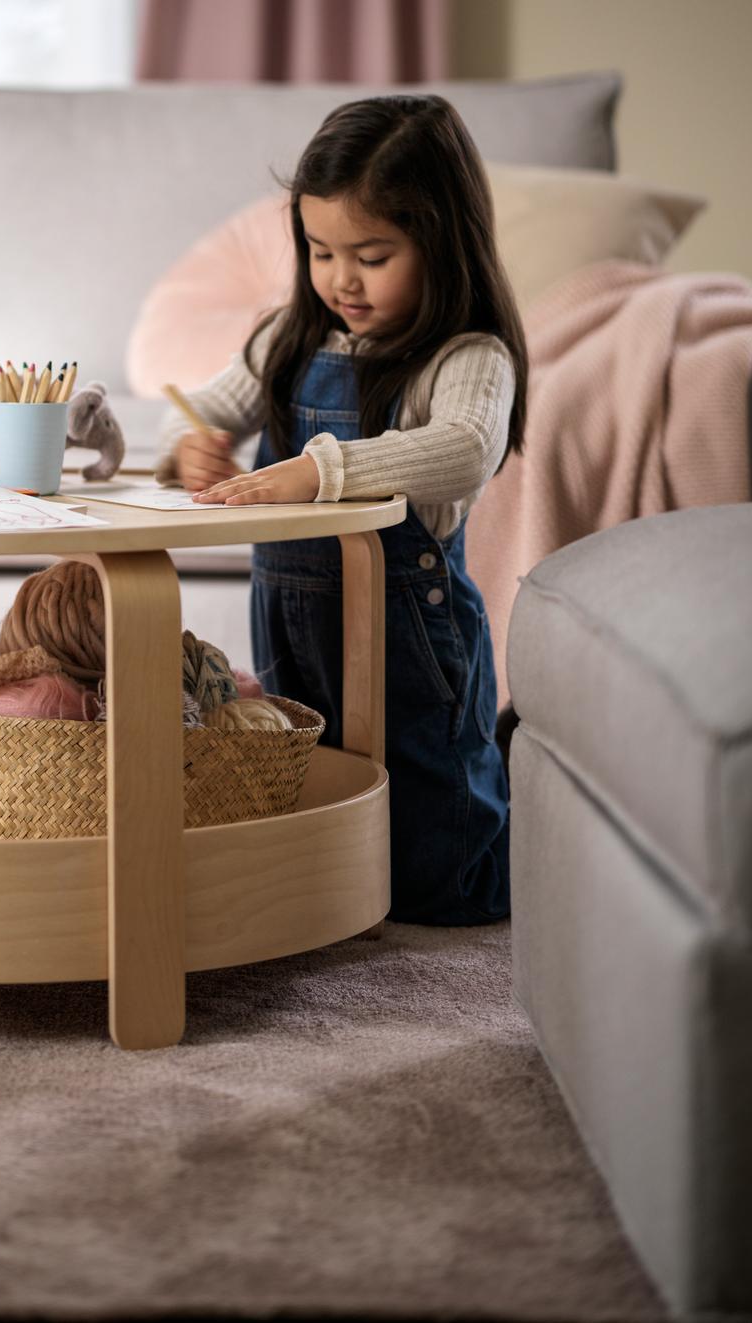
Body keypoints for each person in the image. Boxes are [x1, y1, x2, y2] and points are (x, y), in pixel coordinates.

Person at [158, 95, 527, 924]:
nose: (341, 279)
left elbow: (466, 446)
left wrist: (319, 470)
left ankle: (524, 830)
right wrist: (190, 443)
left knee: (439, 835)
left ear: (443, 242)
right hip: (292, 617)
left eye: (372, 255)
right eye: (321, 252)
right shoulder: (289, 340)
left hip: (412, 633)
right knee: (309, 777)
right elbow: (201, 405)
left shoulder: (466, 357)